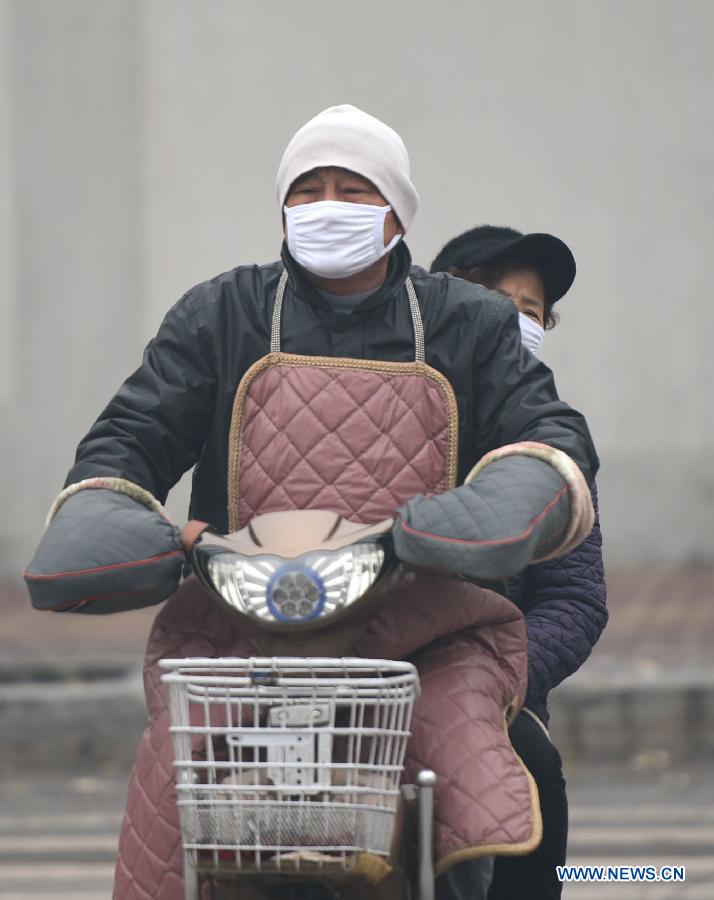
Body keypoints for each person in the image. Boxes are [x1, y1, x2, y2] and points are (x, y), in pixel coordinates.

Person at [25, 107, 599, 899]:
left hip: (424, 631)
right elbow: (129, 440)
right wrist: (121, 517)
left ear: (396, 210)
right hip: (243, 628)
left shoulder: (472, 325)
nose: (328, 205)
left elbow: (549, 434)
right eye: (310, 189)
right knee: (173, 778)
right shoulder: (218, 315)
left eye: (354, 189)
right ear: (283, 207)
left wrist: (483, 513)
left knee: (503, 767)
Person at [430, 224, 608, 900]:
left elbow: (576, 600)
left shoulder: (556, 440)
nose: (509, 319)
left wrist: (494, 674)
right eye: (488, 297)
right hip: (372, 682)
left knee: (531, 774)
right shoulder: (376, 414)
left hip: (496, 693)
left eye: (529, 310)